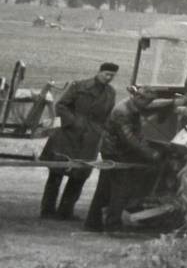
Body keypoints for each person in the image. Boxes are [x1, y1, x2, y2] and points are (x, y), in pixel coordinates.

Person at [39, 62, 118, 220]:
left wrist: (102, 131)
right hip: (68, 136)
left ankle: (66, 211)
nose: (108, 78)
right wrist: (74, 122)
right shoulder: (79, 86)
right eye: (106, 74)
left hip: (91, 139)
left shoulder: (111, 92)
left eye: (112, 76)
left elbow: (108, 115)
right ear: (99, 72)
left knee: (79, 175)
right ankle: (47, 211)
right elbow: (61, 105)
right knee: (57, 172)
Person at [84, 86, 161, 231]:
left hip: (112, 149)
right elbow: (129, 139)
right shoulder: (123, 112)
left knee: (104, 187)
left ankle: (92, 222)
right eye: (148, 102)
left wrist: (175, 102)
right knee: (120, 189)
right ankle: (113, 225)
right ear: (139, 98)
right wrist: (151, 154)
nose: (148, 105)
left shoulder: (130, 104)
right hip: (116, 152)